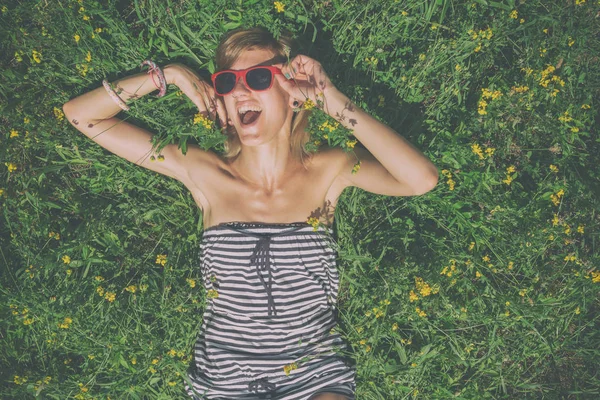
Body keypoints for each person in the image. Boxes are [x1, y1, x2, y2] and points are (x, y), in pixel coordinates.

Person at [63, 26, 438, 400]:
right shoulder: (203, 171)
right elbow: (82, 115)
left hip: (314, 376)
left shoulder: (329, 169)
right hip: (225, 382)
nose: (240, 91)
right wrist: (169, 75)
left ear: (292, 93)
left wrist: (329, 99)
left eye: (258, 78)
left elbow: (420, 180)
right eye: (226, 82)